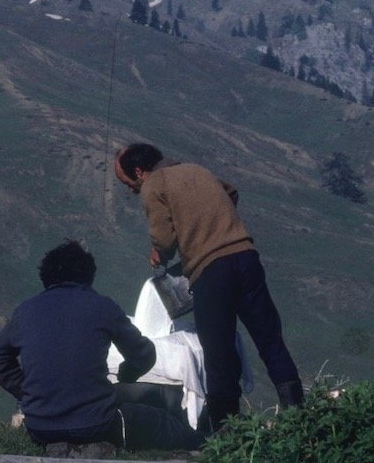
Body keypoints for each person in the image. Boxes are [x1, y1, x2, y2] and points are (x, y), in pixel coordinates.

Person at [114, 143, 303, 426]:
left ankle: (228, 430)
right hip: (246, 257)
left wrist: (160, 253)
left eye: (128, 182)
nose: (131, 189)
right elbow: (231, 193)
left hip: (212, 270)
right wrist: (213, 221)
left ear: (140, 172)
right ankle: (297, 414)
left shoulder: (154, 184)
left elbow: (164, 240)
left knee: (218, 351)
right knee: (269, 339)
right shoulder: (196, 169)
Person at [0, 239, 204, 454]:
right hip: (95, 424)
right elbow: (144, 353)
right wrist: (127, 373)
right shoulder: (102, 307)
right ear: (88, 274)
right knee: (160, 422)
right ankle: (201, 446)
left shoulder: (26, 311)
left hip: (39, 428)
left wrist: (26, 391)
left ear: (46, 276)